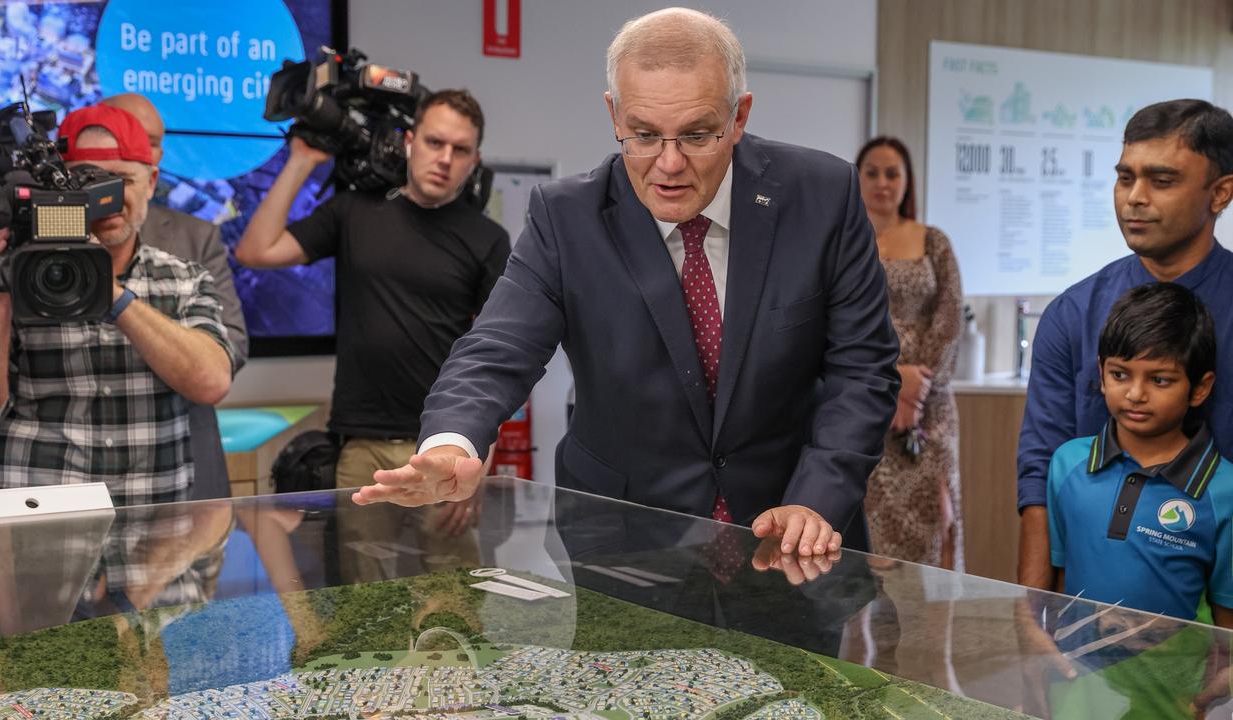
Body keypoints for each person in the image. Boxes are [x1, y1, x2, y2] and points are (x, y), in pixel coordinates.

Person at [358, 7, 901, 557]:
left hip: (790, 539)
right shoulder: (567, 217)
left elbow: (863, 370)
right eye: (643, 135)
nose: (668, 164)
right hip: (626, 545)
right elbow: (497, 347)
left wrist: (817, 498)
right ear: (614, 115)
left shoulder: (822, 196)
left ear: (739, 117)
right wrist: (454, 442)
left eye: (696, 135)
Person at [235, 88, 510, 582]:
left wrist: (479, 465)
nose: (444, 158)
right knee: (364, 597)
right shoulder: (354, 212)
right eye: (434, 142)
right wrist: (300, 160)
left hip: (443, 448)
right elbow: (257, 250)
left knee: (455, 603)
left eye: (460, 149)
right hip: (361, 442)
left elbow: (500, 356)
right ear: (410, 141)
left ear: (476, 159)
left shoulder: (486, 238)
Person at [0, 104, 236, 506]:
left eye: (121, 181)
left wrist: (111, 291)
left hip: (148, 540)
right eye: (85, 181)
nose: (108, 200)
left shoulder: (182, 279)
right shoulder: (6, 272)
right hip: (28, 537)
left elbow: (211, 382)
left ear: (152, 182)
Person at [1016, 99, 1233, 591]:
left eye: (1162, 180)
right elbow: (1041, 469)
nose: (1134, 198)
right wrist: (1031, 613)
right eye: (1125, 177)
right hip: (1090, 603)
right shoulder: (1072, 315)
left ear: (1220, 193)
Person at [1043, 282, 1232, 717]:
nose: (1135, 394)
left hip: (1171, 700)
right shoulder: (1068, 465)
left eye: (1160, 379)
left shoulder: (1223, 490)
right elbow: (1051, 586)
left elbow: (1228, 619)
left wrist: (1216, 692)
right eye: (1120, 374)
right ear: (1102, 372)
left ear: (1200, 388)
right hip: (1076, 687)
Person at [101, 92, 249, 501]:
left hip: (179, 463)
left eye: (148, 140)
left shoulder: (194, 237)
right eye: (121, 133)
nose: (138, 148)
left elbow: (230, 344)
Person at [856, 136, 963, 569]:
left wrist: (915, 389)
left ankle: (933, 633)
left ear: (907, 181)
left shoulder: (932, 241)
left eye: (893, 173)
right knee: (868, 538)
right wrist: (890, 383)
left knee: (937, 522)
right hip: (864, 403)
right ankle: (865, 632)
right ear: (857, 178)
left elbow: (950, 317)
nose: (883, 182)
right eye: (872, 172)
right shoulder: (843, 240)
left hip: (928, 410)